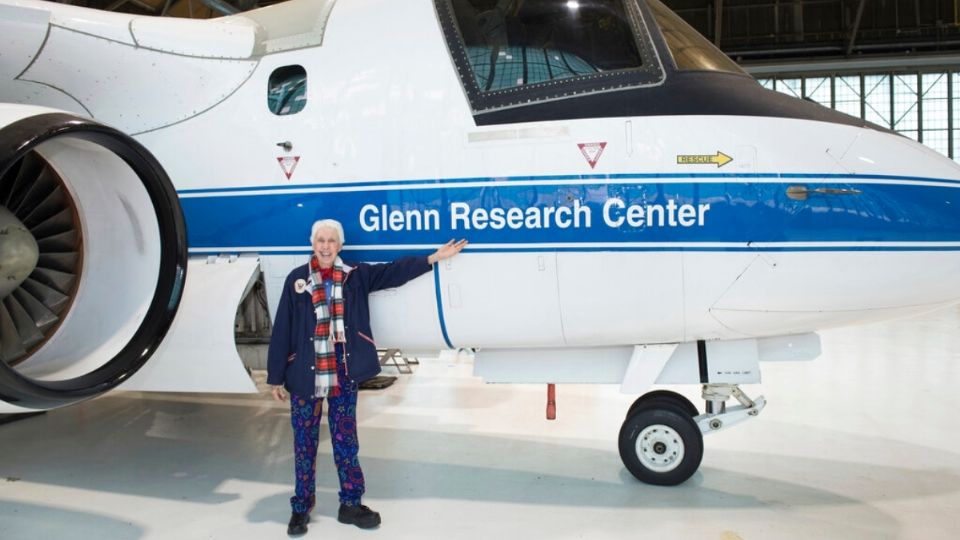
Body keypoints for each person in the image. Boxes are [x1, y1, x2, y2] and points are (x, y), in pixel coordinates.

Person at [267, 218, 467, 536]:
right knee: (303, 444)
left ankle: (351, 503)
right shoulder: (297, 281)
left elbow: (393, 273)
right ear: (312, 243)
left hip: (342, 376)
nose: (326, 246)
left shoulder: (355, 277)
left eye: (332, 240)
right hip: (305, 377)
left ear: (340, 246)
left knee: (346, 443)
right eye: (320, 240)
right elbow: (282, 331)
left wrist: (432, 259)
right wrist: (276, 376)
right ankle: (301, 508)